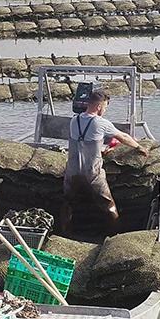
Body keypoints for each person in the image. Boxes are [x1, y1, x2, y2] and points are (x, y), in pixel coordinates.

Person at [60, 85, 142, 237]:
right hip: (92, 174)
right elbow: (123, 137)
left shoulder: (74, 121)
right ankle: (114, 235)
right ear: (99, 106)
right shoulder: (101, 122)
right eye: (105, 107)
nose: (105, 111)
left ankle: (66, 233)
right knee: (108, 205)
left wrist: (101, 150)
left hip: (72, 173)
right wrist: (139, 147)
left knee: (68, 204)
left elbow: (82, 143)